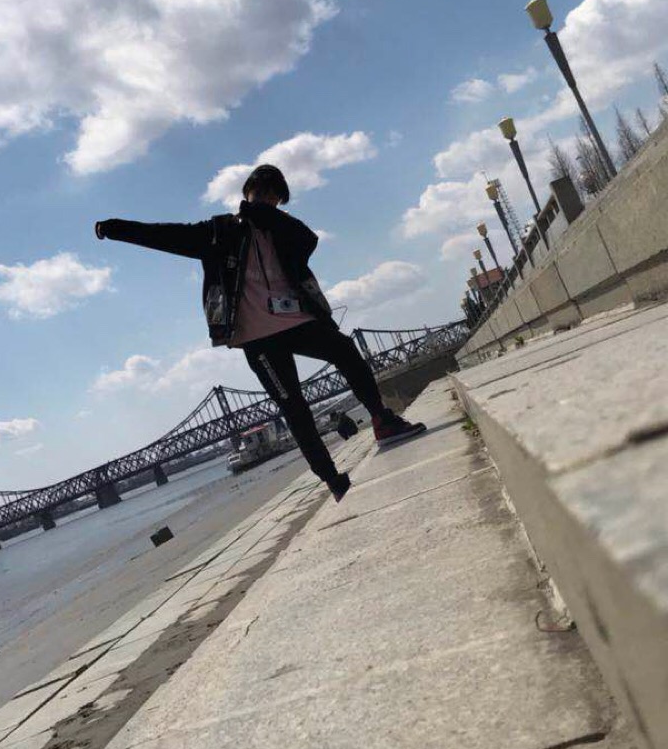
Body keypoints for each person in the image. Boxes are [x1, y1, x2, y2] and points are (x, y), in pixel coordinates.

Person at [95, 163, 425, 502]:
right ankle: (333, 480)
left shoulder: (283, 229)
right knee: (294, 407)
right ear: (248, 192)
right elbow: (165, 235)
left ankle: (382, 421)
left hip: (297, 319)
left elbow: (308, 240)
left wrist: (267, 216)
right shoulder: (221, 231)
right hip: (256, 335)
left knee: (344, 349)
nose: (268, 199)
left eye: (275, 197)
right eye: (263, 193)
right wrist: (115, 228)